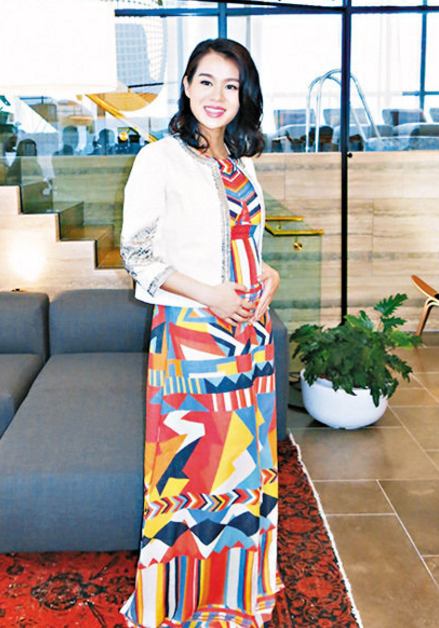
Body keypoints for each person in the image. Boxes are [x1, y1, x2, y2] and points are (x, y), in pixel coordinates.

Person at [120, 38, 282, 628]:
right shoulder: (158, 160)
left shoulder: (241, 161)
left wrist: (269, 274)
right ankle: (182, 602)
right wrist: (213, 295)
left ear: (244, 96)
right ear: (186, 86)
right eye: (206, 81)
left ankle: (237, 593)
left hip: (249, 341)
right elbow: (137, 255)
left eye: (231, 85)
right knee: (191, 477)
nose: (218, 96)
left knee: (243, 473)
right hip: (191, 340)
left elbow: (245, 243)